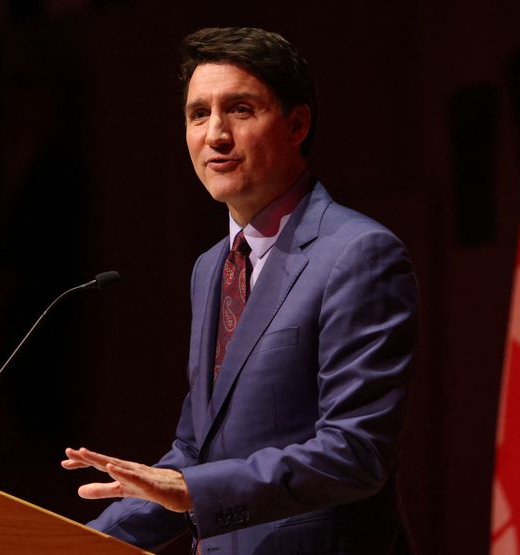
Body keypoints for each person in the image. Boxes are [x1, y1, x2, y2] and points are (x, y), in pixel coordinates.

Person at [62, 26, 419, 555]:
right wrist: (73, 544)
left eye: (240, 109)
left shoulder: (358, 254)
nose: (215, 134)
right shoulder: (212, 267)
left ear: (296, 124)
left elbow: (355, 451)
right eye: (198, 114)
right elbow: (196, 450)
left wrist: (191, 490)